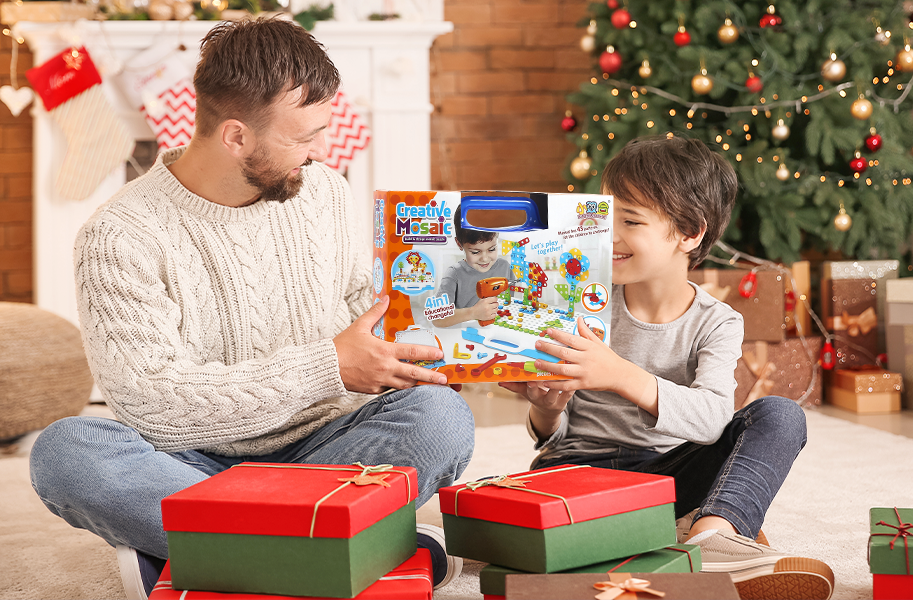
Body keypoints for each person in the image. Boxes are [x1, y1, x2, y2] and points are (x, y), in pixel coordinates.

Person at [28, 17, 474, 600]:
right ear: (236, 136)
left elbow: (363, 318)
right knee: (67, 454)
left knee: (440, 417)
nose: (320, 151)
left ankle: (210, 550)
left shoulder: (325, 192)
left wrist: (442, 350)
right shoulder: (118, 235)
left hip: (328, 445)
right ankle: (350, 543)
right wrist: (327, 367)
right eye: (304, 137)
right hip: (187, 461)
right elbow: (150, 405)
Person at [499, 136, 836, 600]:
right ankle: (672, 532)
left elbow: (712, 420)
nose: (608, 236)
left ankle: (711, 536)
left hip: (667, 480)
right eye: (605, 217)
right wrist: (547, 408)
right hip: (574, 473)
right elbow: (549, 439)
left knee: (780, 415)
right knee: (536, 518)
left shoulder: (717, 322)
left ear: (689, 233)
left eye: (631, 221)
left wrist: (620, 375)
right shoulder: (580, 302)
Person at [433, 208, 512, 328]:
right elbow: (437, 318)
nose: (485, 259)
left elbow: (511, 304)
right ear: (459, 244)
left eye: (492, 249)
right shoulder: (454, 274)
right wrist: (473, 313)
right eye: (475, 252)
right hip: (465, 334)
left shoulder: (504, 267)